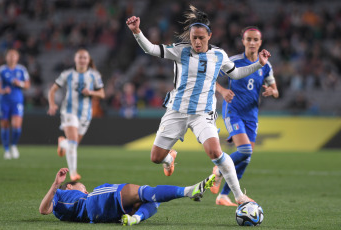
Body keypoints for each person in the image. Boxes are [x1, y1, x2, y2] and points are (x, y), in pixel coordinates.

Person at [126, 5, 271, 204]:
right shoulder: (180, 51)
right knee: (156, 158)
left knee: (215, 152)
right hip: (177, 111)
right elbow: (151, 49)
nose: (196, 41)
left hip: (203, 113)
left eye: (201, 38)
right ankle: (169, 158)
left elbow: (235, 73)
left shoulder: (219, 55)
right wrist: (137, 32)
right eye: (194, 37)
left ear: (209, 36)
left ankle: (239, 196)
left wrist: (259, 65)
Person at [211, 26, 279, 206]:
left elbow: (276, 90)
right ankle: (217, 170)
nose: (252, 43)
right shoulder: (233, 61)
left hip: (252, 115)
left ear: (260, 42)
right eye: (248, 39)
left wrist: (270, 91)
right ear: (243, 41)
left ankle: (223, 196)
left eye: (255, 39)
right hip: (233, 110)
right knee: (245, 150)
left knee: (245, 158)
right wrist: (223, 90)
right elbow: (210, 78)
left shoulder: (266, 65)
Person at [39, 168, 216, 225]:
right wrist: (56, 185)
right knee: (144, 191)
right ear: (69, 186)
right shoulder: (63, 193)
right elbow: (43, 210)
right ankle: (190, 190)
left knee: (153, 200)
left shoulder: (62, 211)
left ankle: (135, 219)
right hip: (95, 202)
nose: (85, 189)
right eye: (83, 188)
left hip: (103, 217)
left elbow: (47, 211)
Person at [47, 49, 105, 181]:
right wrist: (52, 104)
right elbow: (53, 89)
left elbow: (102, 94)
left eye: (85, 58)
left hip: (86, 114)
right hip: (69, 111)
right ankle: (73, 174)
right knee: (73, 144)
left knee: (73, 144)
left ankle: (62, 143)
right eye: (80, 57)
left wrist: (90, 92)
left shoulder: (94, 75)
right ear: (75, 59)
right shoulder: (67, 74)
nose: (82, 60)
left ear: (88, 60)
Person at [0, 49, 30, 159]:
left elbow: (27, 85)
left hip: (17, 101)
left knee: (16, 126)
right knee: (5, 125)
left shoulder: (21, 70)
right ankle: (6, 150)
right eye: (10, 56)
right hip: (4, 101)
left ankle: (14, 145)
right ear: (6, 57)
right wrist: (2, 91)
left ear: (17, 57)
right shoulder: (1, 70)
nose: (12, 57)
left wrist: (19, 83)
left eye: (14, 55)